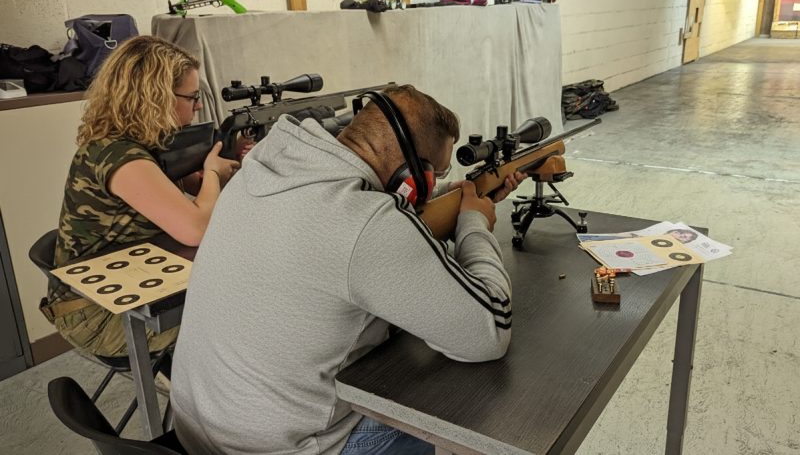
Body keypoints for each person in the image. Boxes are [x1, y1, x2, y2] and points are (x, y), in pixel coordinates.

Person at [170, 84, 526, 455]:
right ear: (410, 175)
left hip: (197, 430)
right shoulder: (364, 222)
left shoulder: (263, 167)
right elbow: (489, 332)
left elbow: (369, 218)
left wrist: (454, 197)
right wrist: (473, 223)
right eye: (433, 173)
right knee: (467, 414)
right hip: (285, 448)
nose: (432, 183)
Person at [41, 35, 242, 358]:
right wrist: (215, 172)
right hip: (99, 313)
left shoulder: (141, 143)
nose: (200, 106)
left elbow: (189, 187)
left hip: (132, 282)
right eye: (191, 97)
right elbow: (195, 229)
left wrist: (233, 159)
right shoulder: (119, 155)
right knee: (250, 310)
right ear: (155, 97)